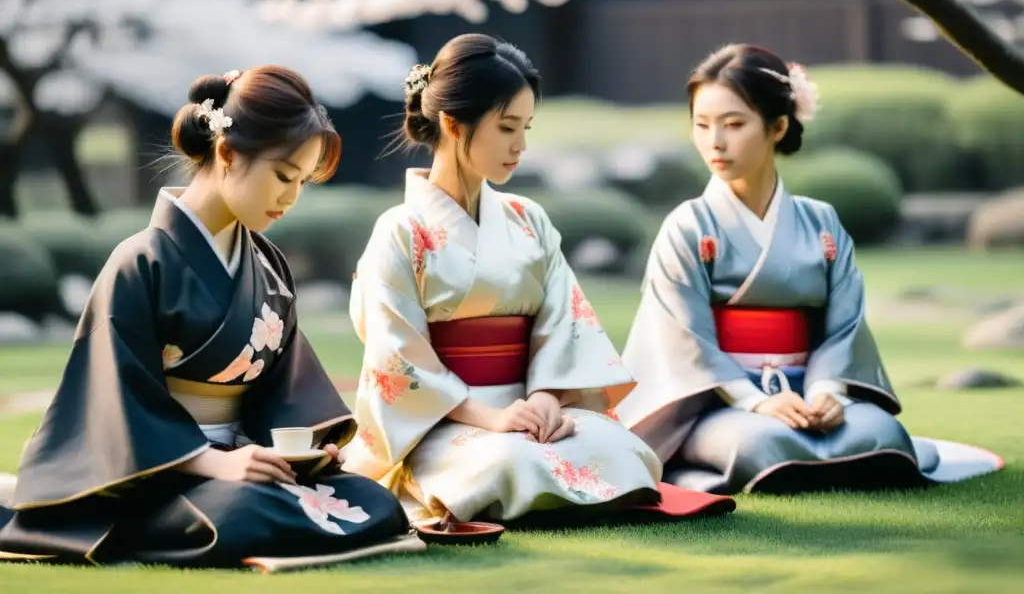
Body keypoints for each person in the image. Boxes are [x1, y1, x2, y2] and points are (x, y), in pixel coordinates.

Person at [0, 66, 417, 570]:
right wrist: (214, 462)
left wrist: (306, 449)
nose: (292, 196)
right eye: (284, 175)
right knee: (244, 512)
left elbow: (284, 385)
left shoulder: (266, 263)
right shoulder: (139, 262)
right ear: (225, 153)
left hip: (246, 461)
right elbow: (117, 401)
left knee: (374, 503)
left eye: (302, 182)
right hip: (162, 471)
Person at [342, 34, 734, 525]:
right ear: (451, 123)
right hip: (447, 419)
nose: (521, 146)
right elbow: (396, 354)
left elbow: (565, 322)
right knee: (506, 462)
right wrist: (491, 418)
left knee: (619, 450)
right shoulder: (399, 231)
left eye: (526, 127)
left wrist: (547, 398)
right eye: (507, 127)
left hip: (533, 410)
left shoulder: (530, 220)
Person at [614, 44, 1004, 495]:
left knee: (880, 432)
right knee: (762, 443)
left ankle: (819, 449)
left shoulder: (821, 222)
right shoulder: (689, 225)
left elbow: (844, 328)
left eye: (734, 124)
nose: (714, 142)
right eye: (702, 125)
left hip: (810, 392)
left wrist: (828, 393)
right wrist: (756, 401)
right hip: (719, 402)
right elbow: (683, 338)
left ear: (778, 126)